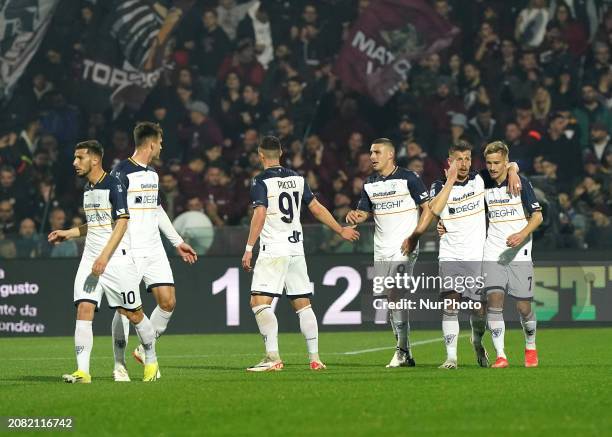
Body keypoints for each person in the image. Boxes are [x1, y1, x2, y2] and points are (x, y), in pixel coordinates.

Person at [241, 136, 359, 372]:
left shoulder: (260, 181)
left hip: (274, 248)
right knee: (303, 303)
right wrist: (340, 229)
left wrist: (248, 248)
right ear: (281, 153)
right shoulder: (297, 178)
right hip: (296, 248)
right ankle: (315, 358)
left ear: (260, 155)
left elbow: (260, 214)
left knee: (258, 302)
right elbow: (316, 208)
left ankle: (272, 357)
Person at [48, 140, 159, 383]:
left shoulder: (114, 184)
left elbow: (121, 222)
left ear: (95, 159)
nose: (74, 162)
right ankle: (83, 371)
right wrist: (68, 233)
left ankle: (151, 360)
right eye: (75, 158)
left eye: (80, 158)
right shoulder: (88, 188)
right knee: (84, 308)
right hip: (90, 258)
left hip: (115, 260)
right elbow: (98, 223)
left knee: (134, 314)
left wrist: (104, 257)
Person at [110, 122, 197, 381]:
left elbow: (157, 210)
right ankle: (119, 364)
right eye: (160, 142)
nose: (162, 146)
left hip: (154, 249)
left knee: (168, 302)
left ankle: (144, 348)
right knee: (125, 309)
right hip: (129, 250)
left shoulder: (152, 174)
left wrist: (176, 241)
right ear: (150, 143)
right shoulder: (120, 173)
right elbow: (116, 215)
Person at [426, 141, 521, 369]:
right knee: (451, 304)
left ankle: (477, 339)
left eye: (468, 158)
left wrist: (514, 171)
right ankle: (451, 358)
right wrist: (450, 180)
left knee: (479, 310)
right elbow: (434, 210)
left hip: (477, 255)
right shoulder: (438, 185)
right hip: (450, 255)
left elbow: (506, 164)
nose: (464, 163)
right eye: (459, 159)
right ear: (449, 162)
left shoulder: (479, 180)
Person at [345, 138, 432, 368]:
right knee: (392, 301)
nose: (372, 157)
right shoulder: (369, 182)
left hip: (404, 247)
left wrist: (415, 236)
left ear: (390, 155)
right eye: (371, 152)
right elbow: (364, 212)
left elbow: (428, 209)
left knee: (395, 294)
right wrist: (354, 216)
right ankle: (406, 352)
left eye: (377, 152)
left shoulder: (409, 178)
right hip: (381, 248)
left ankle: (401, 350)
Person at [481, 141, 543, 368]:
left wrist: (521, 233)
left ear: (505, 162)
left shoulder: (521, 183)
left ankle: (530, 345)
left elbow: (537, 216)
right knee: (494, 299)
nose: (492, 167)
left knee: (523, 308)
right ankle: (501, 355)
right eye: (488, 163)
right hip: (493, 249)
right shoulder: (483, 181)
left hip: (520, 249)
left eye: (497, 163)